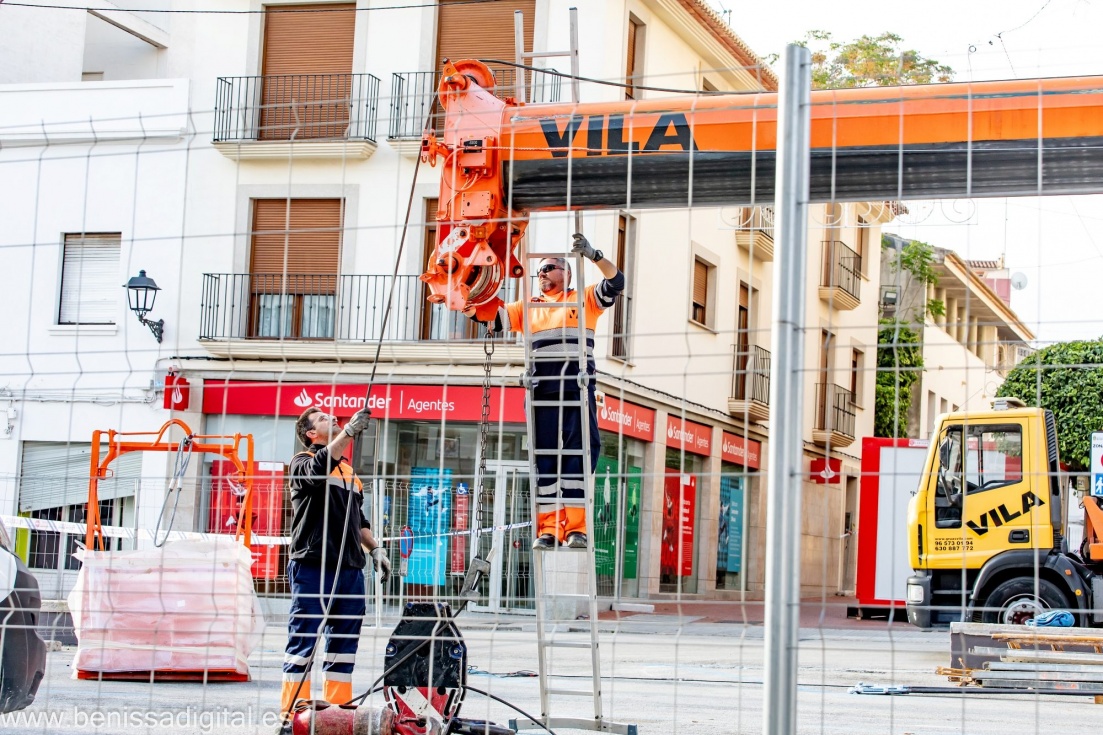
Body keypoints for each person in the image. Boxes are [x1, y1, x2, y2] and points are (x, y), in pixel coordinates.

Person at [469, 233, 625, 550]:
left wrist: (595, 255)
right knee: (544, 461)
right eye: (539, 270)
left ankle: (577, 529)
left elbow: (616, 282)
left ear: (566, 273)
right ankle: (549, 529)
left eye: (549, 268)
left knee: (580, 454)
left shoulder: (583, 298)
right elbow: (489, 317)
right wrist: (460, 293)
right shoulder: (528, 307)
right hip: (541, 391)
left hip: (577, 388)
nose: (541, 273)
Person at [280, 405, 391, 721]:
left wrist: (375, 550)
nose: (331, 418)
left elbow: (359, 520)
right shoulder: (302, 462)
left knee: (343, 646)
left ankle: (338, 714)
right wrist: (349, 433)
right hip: (313, 564)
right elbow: (318, 468)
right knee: (304, 639)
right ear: (311, 433)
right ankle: (293, 715)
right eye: (322, 419)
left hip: (350, 569)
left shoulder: (350, 474)